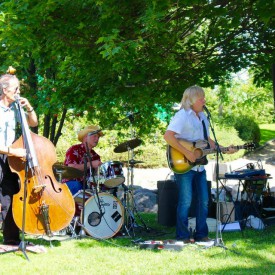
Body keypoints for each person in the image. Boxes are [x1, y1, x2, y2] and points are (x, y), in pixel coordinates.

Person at [164, 85, 236, 243]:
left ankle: (201, 235)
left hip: (200, 166)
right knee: (185, 201)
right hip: (184, 164)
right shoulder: (182, 116)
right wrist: (187, 152)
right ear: (191, 100)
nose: (204, 100)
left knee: (204, 200)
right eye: (201, 98)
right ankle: (182, 236)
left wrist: (223, 149)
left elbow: (207, 141)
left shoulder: (203, 117)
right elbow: (168, 136)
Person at [0, 73, 38, 245]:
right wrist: (14, 151)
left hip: (10, 158)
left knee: (11, 196)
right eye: (16, 88)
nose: (18, 92)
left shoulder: (17, 108)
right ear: (4, 89)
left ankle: (11, 239)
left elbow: (34, 123)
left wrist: (29, 107)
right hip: (7, 153)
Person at [63, 125, 104, 196]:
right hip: (71, 183)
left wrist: (99, 170)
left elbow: (95, 177)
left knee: (103, 190)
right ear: (85, 138)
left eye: (98, 137)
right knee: (76, 185)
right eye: (94, 136)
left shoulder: (96, 156)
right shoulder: (74, 149)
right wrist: (90, 164)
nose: (97, 139)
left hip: (87, 186)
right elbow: (71, 169)